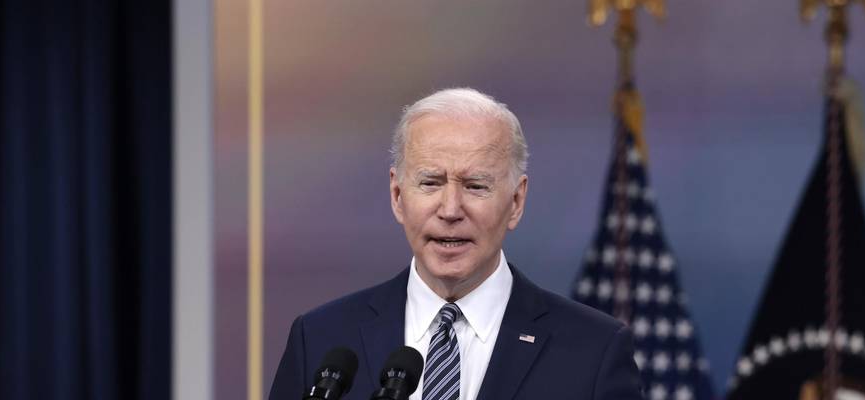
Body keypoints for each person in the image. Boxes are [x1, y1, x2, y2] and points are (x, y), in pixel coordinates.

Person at [269, 88, 643, 400]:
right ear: (398, 195)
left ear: (516, 201)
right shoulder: (320, 340)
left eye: (476, 186)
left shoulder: (594, 352)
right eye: (430, 183)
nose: (450, 210)